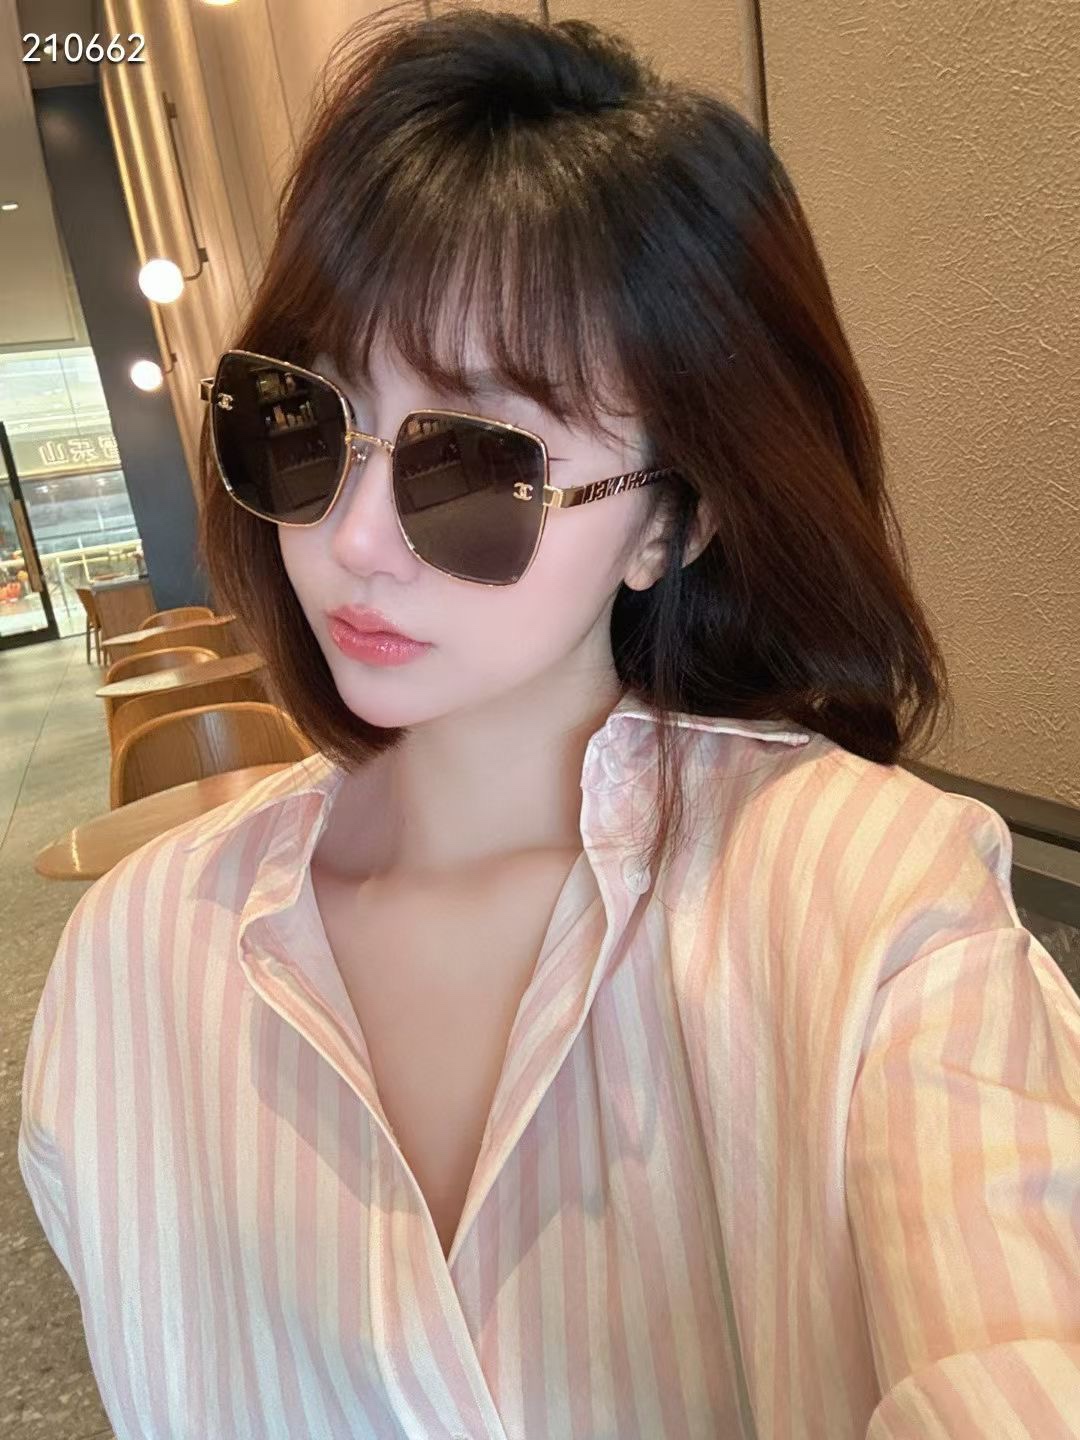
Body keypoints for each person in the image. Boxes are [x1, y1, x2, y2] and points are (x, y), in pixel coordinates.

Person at [19, 5, 1080, 1437]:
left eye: (475, 466)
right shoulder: (134, 961)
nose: (354, 541)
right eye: (306, 422)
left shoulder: (875, 906)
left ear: (670, 524)